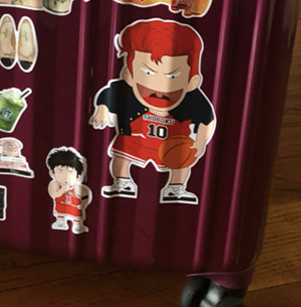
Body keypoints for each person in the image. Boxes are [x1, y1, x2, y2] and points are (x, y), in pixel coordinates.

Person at [90, 18, 215, 205]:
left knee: (183, 160)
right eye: (148, 72)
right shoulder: (125, 90)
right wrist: (101, 109)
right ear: (129, 75)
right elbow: (107, 96)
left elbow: (206, 119)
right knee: (121, 154)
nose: (159, 84)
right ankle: (122, 181)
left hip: (173, 141)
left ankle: (176, 187)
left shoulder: (192, 99)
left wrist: (200, 142)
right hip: (135, 136)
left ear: (192, 81)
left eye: (172, 75)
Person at [46, 147, 92, 234]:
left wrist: (82, 205)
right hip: (61, 206)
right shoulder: (55, 185)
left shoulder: (77, 188)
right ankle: (60, 222)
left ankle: (77, 225)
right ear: (52, 173)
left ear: (78, 176)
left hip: (74, 208)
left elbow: (85, 196)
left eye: (70, 172)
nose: (65, 175)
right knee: (60, 213)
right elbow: (54, 194)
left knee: (76, 216)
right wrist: (62, 189)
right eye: (60, 171)